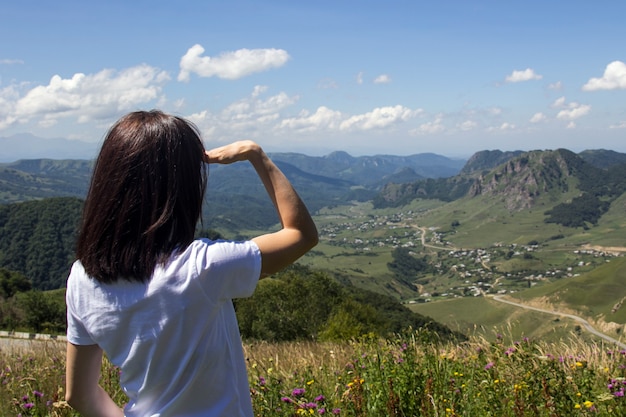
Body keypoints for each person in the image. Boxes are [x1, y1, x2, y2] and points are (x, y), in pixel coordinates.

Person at [64, 110, 318, 417]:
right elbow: (301, 234)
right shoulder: (203, 268)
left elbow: (79, 395)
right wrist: (256, 154)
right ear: (182, 187)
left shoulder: (82, 277)